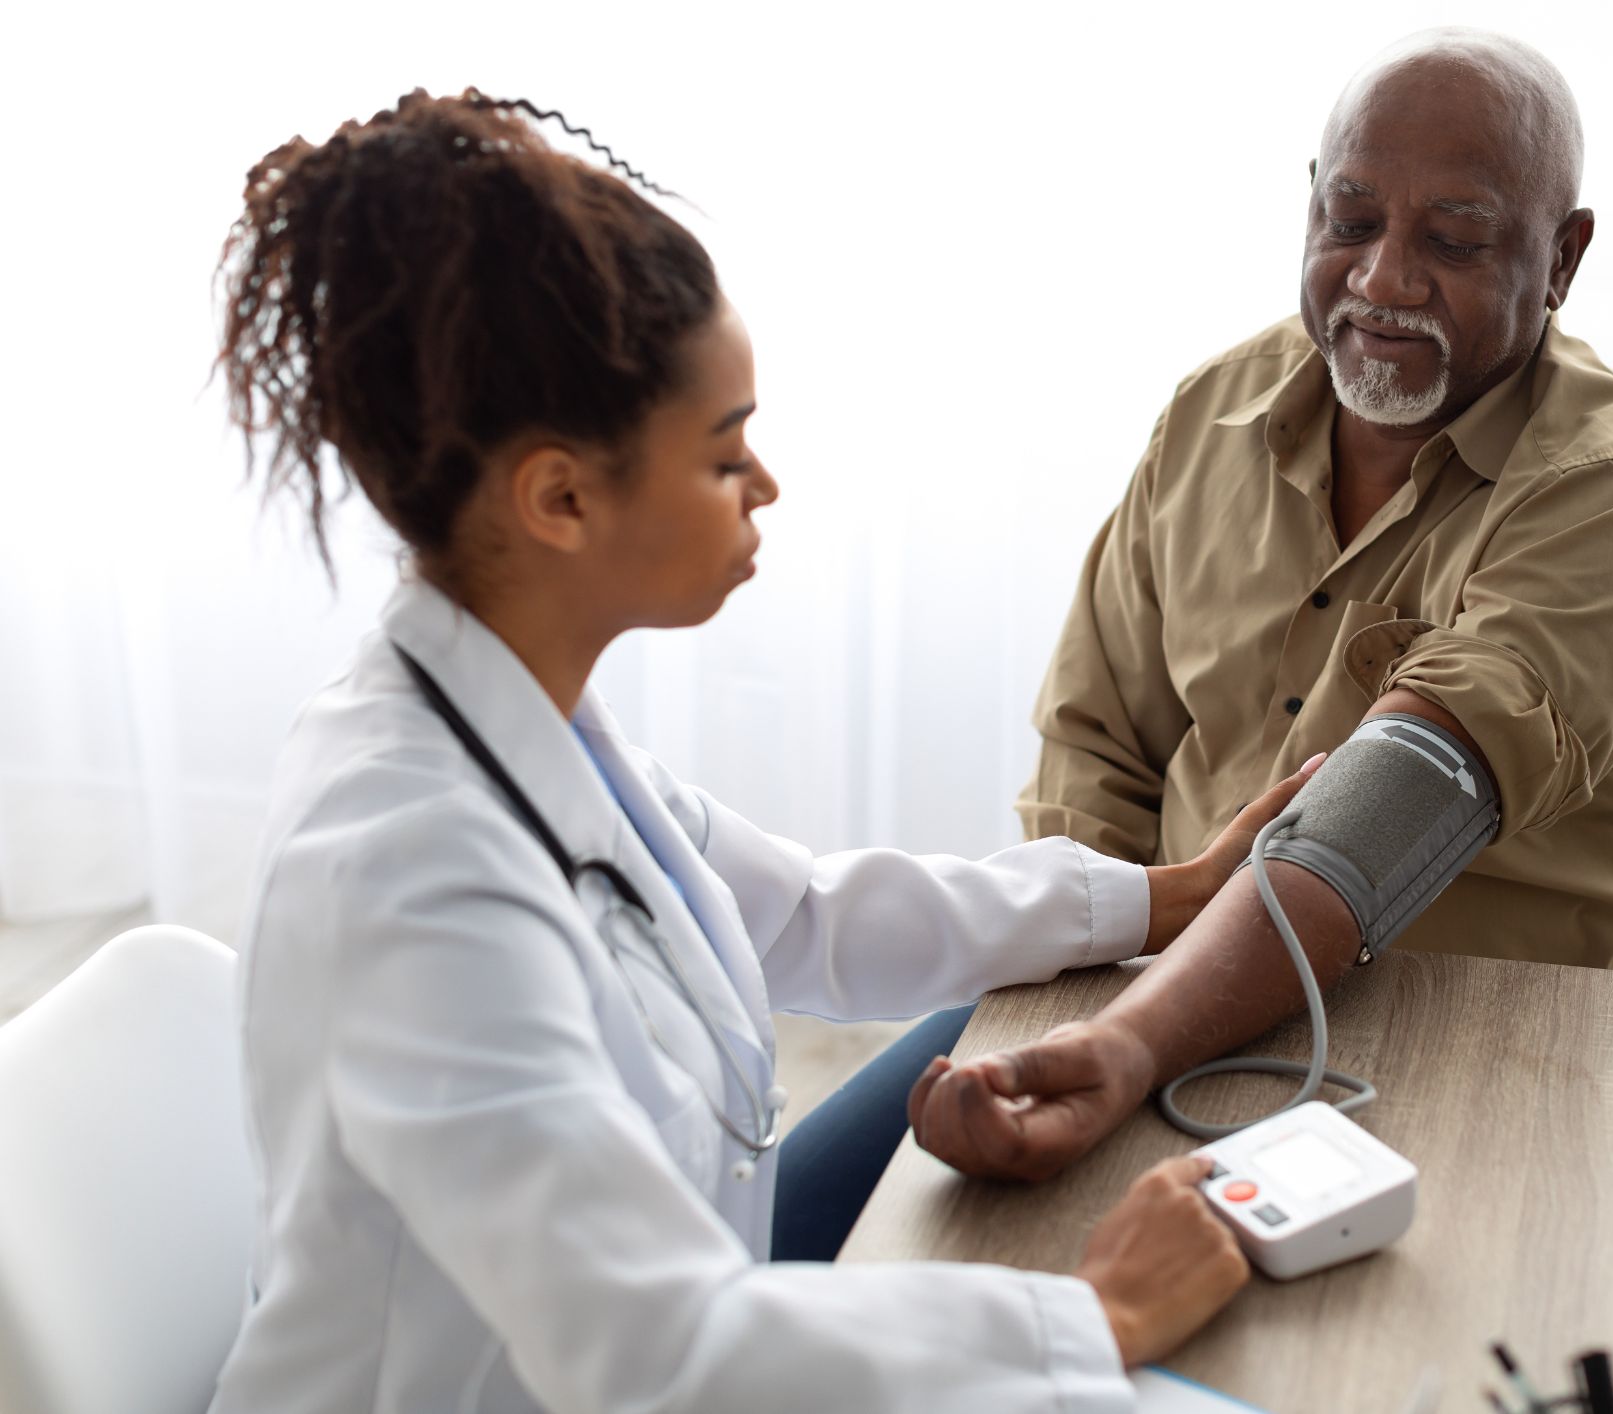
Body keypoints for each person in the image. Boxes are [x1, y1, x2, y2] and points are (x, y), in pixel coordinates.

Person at [206, 90, 1315, 1413]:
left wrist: (1167, 892)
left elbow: (806, 910)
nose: (766, 484)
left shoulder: (522, 715)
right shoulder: (404, 871)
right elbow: (655, 1355)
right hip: (614, 1370)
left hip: (680, 1301)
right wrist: (1086, 1315)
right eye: (724, 453)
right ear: (559, 496)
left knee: (1006, 1011)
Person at [911, 31, 1613, 1182]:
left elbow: (1392, 809)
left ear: (1562, 259)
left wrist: (1123, 1044)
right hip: (1154, 988)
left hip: (1502, 1054)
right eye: (1350, 220)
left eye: (1454, 238)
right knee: (822, 1244)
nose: (1383, 277)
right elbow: (1095, 744)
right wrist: (1073, 995)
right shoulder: (1216, 411)